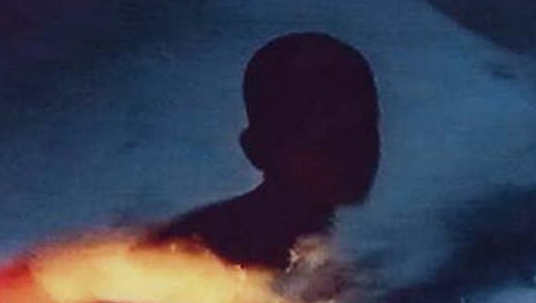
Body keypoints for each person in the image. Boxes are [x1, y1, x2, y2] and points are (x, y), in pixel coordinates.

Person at [148, 32, 380, 269]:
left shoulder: (371, 255)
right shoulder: (187, 252)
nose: (354, 154)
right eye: (327, 138)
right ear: (259, 148)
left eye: (364, 132)